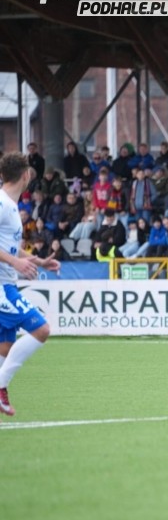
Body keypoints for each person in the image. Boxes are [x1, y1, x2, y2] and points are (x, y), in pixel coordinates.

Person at [0, 153, 60, 417]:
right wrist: (15, 262)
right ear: (25, 175)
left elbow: (10, 247)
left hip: (8, 282)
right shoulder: (2, 203)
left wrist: (39, 261)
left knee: (5, 347)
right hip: (2, 286)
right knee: (41, 329)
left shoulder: (11, 205)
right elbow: (10, 254)